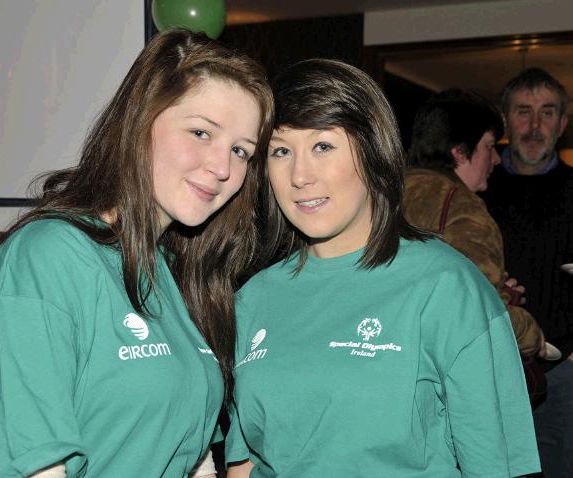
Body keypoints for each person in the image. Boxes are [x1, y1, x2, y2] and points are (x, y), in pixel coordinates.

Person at [0, 28, 273, 477]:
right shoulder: (46, 260)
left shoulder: (174, 271)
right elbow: (32, 466)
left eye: (241, 150)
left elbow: (192, 451)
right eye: (201, 132)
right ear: (141, 123)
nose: (222, 167)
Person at [225, 59, 540, 477]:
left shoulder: (447, 287)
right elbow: (245, 462)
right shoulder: (252, 299)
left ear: (373, 151)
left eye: (323, 146)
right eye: (281, 151)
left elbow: (500, 466)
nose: (299, 175)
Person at [402, 90, 545, 380]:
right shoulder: (463, 208)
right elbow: (481, 314)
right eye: (490, 146)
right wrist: (532, 335)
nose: (496, 159)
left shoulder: (377, 193)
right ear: (459, 151)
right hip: (439, 376)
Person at [480, 68, 573, 478]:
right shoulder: (477, 191)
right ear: (504, 121)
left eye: (547, 112)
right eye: (523, 112)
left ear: (563, 123)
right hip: (486, 375)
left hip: (564, 378)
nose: (534, 126)